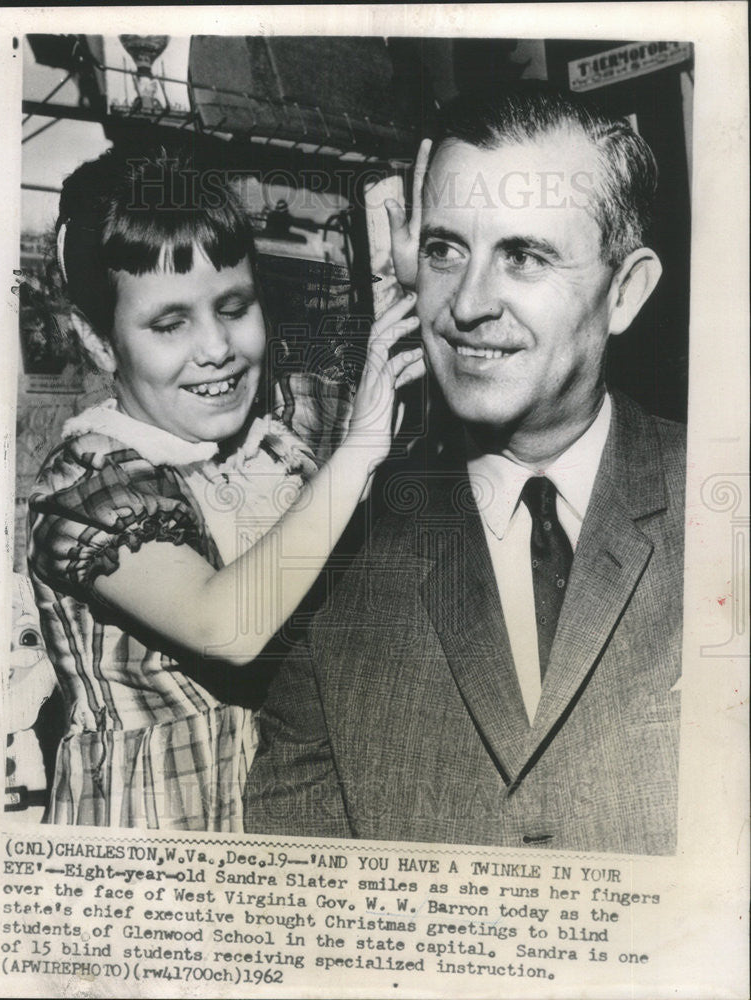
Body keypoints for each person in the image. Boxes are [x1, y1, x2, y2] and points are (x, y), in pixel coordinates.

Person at [244, 84, 686, 855]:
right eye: (445, 250)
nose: (467, 303)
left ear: (625, 292)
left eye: (523, 256)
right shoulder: (331, 549)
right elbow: (295, 880)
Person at [27, 147, 425, 831]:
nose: (216, 348)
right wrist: (359, 449)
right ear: (97, 342)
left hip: (286, 810)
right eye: (169, 323)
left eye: (234, 307)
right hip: (157, 840)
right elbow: (227, 626)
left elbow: (417, 425)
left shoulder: (280, 430)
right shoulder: (88, 484)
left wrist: (419, 285)